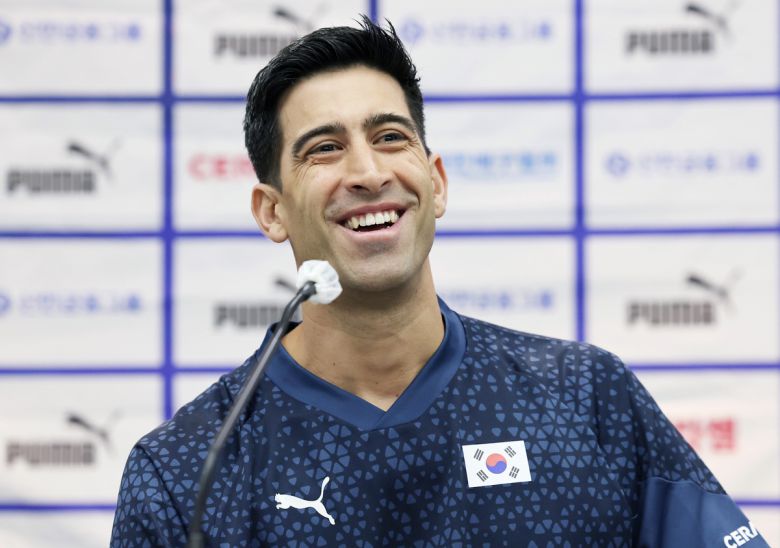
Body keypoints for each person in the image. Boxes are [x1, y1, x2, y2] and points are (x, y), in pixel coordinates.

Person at [111, 16, 767, 547]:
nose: (368, 173)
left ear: (437, 182)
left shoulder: (588, 399)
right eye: (325, 148)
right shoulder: (185, 472)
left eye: (390, 137)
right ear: (271, 212)